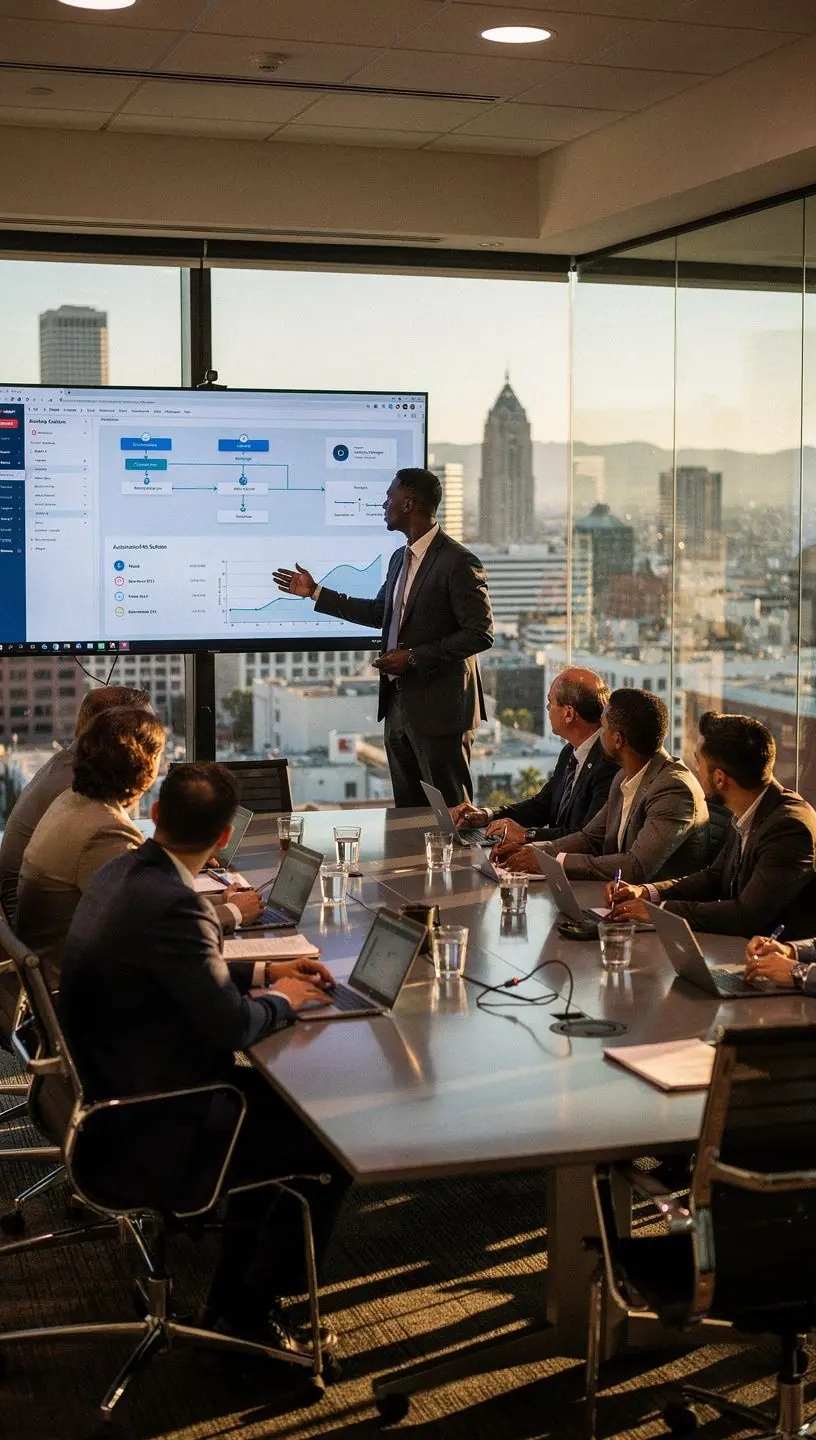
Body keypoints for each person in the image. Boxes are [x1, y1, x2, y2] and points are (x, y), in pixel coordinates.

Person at [59, 762, 350, 1350]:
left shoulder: (121, 872)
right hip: (157, 1117)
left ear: (157, 815)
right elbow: (229, 1027)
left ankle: (229, 1299)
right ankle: (250, 1309)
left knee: (282, 1109)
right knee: (329, 1142)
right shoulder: (176, 903)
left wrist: (268, 969)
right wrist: (285, 1000)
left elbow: (177, 970)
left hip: (111, 1093)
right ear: (223, 838)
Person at [272, 468, 494, 808]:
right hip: (399, 709)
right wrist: (315, 592)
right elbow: (379, 613)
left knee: (451, 818)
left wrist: (414, 657)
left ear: (408, 503)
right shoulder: (398, 559)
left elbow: (480, 633)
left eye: (389, 497)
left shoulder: (459, 561)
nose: (383, 504)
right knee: (408, 817)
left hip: (442, 713)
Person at [15, 706, 261, 989]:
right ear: (146, 762)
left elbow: (150, 909)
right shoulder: (105, 830)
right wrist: (234, 912)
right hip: (81, 993)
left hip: (60, 976)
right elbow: (156, 930)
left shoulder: (71, 801)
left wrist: (221, 900)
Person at [608, 712, 816, 937]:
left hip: (770, 961)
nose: (696, 769)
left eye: (698, 761)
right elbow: (714, 877)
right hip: (736, 948)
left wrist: (660, 911)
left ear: (720, 778)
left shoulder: (789, 829)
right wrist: (647, 893)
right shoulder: (748, 807)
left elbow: (745, 916)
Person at [494, 687, 708, 881]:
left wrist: (551, 862)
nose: (597, 736)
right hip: (614, 900)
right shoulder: (623, 778)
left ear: (617, 740)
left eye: (602, 728)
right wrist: (534, 851)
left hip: (658, 913)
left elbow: (635, 866)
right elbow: (589, 839)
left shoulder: (673, 789)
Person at [0, 684, 151, 923]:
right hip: (57, 940)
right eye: (147, 737)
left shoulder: (67, 765)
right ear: (121, 739)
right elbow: (139, 914)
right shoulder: (83, 790)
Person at [450, 667, 616, 849]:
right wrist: (486, 815)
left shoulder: (608, 763)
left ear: (568, 713)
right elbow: (542, 805)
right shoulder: (570, 751)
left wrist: (526, 835)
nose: (547, 709)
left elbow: (583, 838)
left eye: (550, 703)